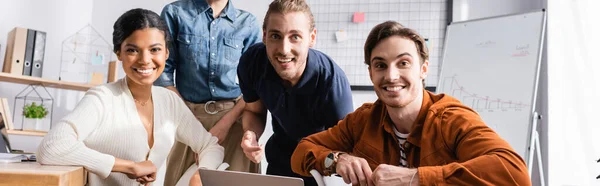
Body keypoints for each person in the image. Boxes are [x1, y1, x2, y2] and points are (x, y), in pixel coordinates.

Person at [290, 21, 531, 186]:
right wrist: (337, 159)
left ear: (423, 69)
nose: (391, 76)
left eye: (403, 63)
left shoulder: (451, 119)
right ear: (371, 73)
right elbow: (301, 152)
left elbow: (515, 174)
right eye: (380, 65)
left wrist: (414, 178)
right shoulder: (363, 119)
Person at [37, 8, 224, 186]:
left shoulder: (170, 101)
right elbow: (51, 147)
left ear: (166, 53)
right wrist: (127, 166)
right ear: (119, 53)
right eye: (132, 50)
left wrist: (201, 174)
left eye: (155, 49)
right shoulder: (102, 98)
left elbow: (211, 146)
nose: (145, 59)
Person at [237, 0, 354, 185]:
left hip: (319, 167)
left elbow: (347, 149)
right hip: (279, 161)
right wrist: (250, 134)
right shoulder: (252, 62)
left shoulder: (332, 82)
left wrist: (328, 164)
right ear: (265, 36)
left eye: (295, 37)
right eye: (276, 36)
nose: (284, 49)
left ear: (312, 38)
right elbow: (254, 111)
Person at [155, 0, 261, 184]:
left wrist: (225, 124)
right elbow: (162, 72)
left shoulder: (248, 23)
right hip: (186, 117)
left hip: (234, 121)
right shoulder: (175, 13)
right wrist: (190, 125)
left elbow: (255, 83)